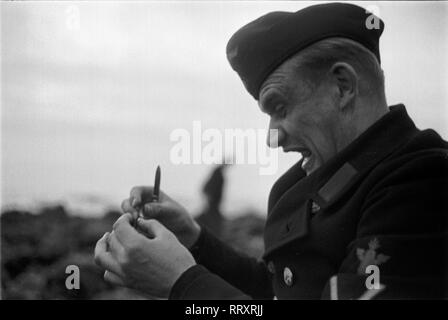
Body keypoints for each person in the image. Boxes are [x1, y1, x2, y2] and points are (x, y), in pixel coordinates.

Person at [94, 3, 448, 299]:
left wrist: (182, 286)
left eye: (279, 107)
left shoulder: (422, 182)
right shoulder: (301, 186)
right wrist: (196, 242)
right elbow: (274, 293)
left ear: (343, 87)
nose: (272, 139)